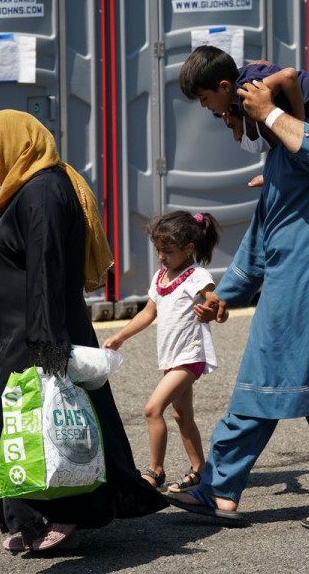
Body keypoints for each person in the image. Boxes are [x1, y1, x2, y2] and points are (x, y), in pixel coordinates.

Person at [165, 78, 309, 528]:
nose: (232, 132)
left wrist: (267, 111)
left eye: (231, 119)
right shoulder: (282, 158)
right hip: (293, 286)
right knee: (297, 393)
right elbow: (264, 233)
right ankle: (228, 491)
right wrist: (222, 296)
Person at [0, 109, 166, 552]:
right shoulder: (29, 186)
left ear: (13, 142)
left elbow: (46, 267)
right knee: (27, 423)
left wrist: (45, 343)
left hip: (35, 333)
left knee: (40, 422)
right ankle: (30, 518)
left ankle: (64, 515)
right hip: (15, 332)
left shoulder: (43, 189)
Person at [178, 45, 309, 290]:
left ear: (223, 86)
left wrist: (300, 123)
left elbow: (288, 76)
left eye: (204, 99)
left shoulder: (247, 92)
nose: (204, 106)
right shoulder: (242, 84)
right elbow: (261, 61)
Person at [102, 211, 221, 493]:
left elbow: (212, 297)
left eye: (168, 251)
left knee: (153, 409)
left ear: (189, 248)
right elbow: (149, 312)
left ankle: (155, 471)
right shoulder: (161, 277)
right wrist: (121, 336)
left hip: (189, 357)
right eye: (158, 250)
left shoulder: (197, 275)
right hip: (171, 358)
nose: (161, 257)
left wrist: (214, 307)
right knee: (183, 417)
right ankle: (200, 470)